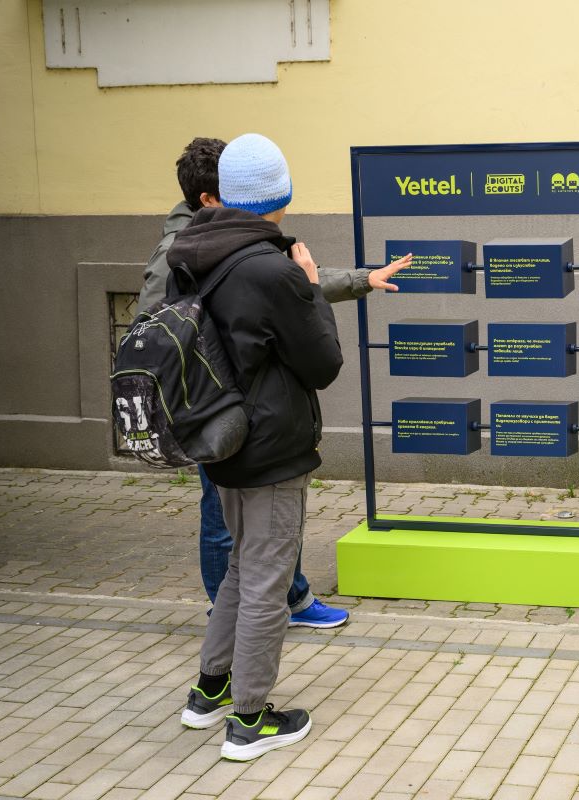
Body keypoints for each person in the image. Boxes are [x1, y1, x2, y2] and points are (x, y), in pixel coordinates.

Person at [141, 137, 409, 629]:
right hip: (216, 407)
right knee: (225, 523)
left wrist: (359, 280)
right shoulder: (181, 252)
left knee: (267, 527)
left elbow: (279, 283)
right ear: (210, 199)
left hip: (249, 408)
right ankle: (239, 618)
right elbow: (161, 328)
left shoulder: (237, 241)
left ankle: (283, 601)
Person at [167, 133, 350, 759]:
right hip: (270, 448)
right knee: (267, 581)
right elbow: (324, 364)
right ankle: (250, 720)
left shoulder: (190, 256)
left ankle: (209, 690)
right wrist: (310, 283)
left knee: (245, 569)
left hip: (219, 440)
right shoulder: (273, 270)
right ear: (279, 196)